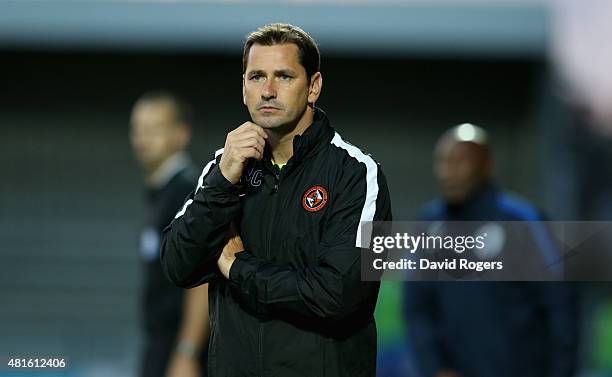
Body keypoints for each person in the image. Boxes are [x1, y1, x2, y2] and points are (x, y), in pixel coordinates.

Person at [160, 23, 392, 377]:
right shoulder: (223, 168)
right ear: (243, 88)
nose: (267, 90)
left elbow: (339, 294)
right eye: (256, 77)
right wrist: (223, 181)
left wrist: (238, 267)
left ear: (313, 87)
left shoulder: (357, 173)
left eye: (283, 77)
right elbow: (177, 265)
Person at [403, 123, 578, 377]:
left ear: (487, 166)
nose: (448, 172)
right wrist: (436, 367)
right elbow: (417, 308)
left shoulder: (524, 222)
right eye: (442, 162)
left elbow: (560, 307)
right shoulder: (429, 225)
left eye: (460, 162)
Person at [129, 91, 209, 377]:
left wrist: (187, 352)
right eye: (137, 129)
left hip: (177, 348)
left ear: (181, 134)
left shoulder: (187, 192)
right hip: (159, 344)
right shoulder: (160, 192)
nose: (142, 139)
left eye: (153, 130)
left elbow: (202, 277)